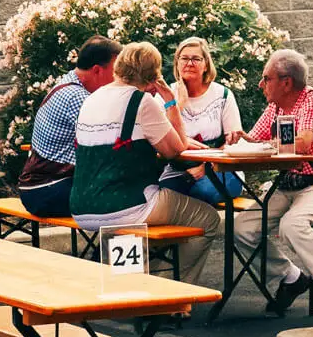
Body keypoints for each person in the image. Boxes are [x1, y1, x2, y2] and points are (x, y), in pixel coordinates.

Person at [69, 41, 219, 286]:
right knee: (208, 219)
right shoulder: (141, 101)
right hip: (127, 207)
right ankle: (174, 293)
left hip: (81, 208)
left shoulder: (92, 99)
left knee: (149, 223)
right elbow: (176, 149)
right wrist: (170, 101)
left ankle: (142, 283)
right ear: (153, 77)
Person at [226, 48, 313, 319]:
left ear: (286, 82)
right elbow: (255, 141)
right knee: (241, 228)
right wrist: (240, 140)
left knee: (292, 224)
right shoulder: (275, 106)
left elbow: (302, 143)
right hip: (289, 184)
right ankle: (291, 276)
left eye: (266, 78)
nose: (261, 84)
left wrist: (264, 145)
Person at [18, 35, 122, 217]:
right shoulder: (78, 97)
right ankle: (112, 246)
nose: (118, 78)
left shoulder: (67, 83)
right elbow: (108, 146)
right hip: (47, 190)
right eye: (115, 71)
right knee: (129, 199)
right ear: (97, 70)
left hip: (39, 188)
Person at [159, 36, 244, 206]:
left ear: (206, 65)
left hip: (220, 168)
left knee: (201, 192)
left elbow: (233, 142)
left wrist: (205, 168)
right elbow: (159, 138)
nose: (189, 63)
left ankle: (210, 230)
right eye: (184, 58)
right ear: (177, 63)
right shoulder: (165, 94)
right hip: (179, 171)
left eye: (196, 59)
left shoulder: (223, 95)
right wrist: (179, 105)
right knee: (164, 194)